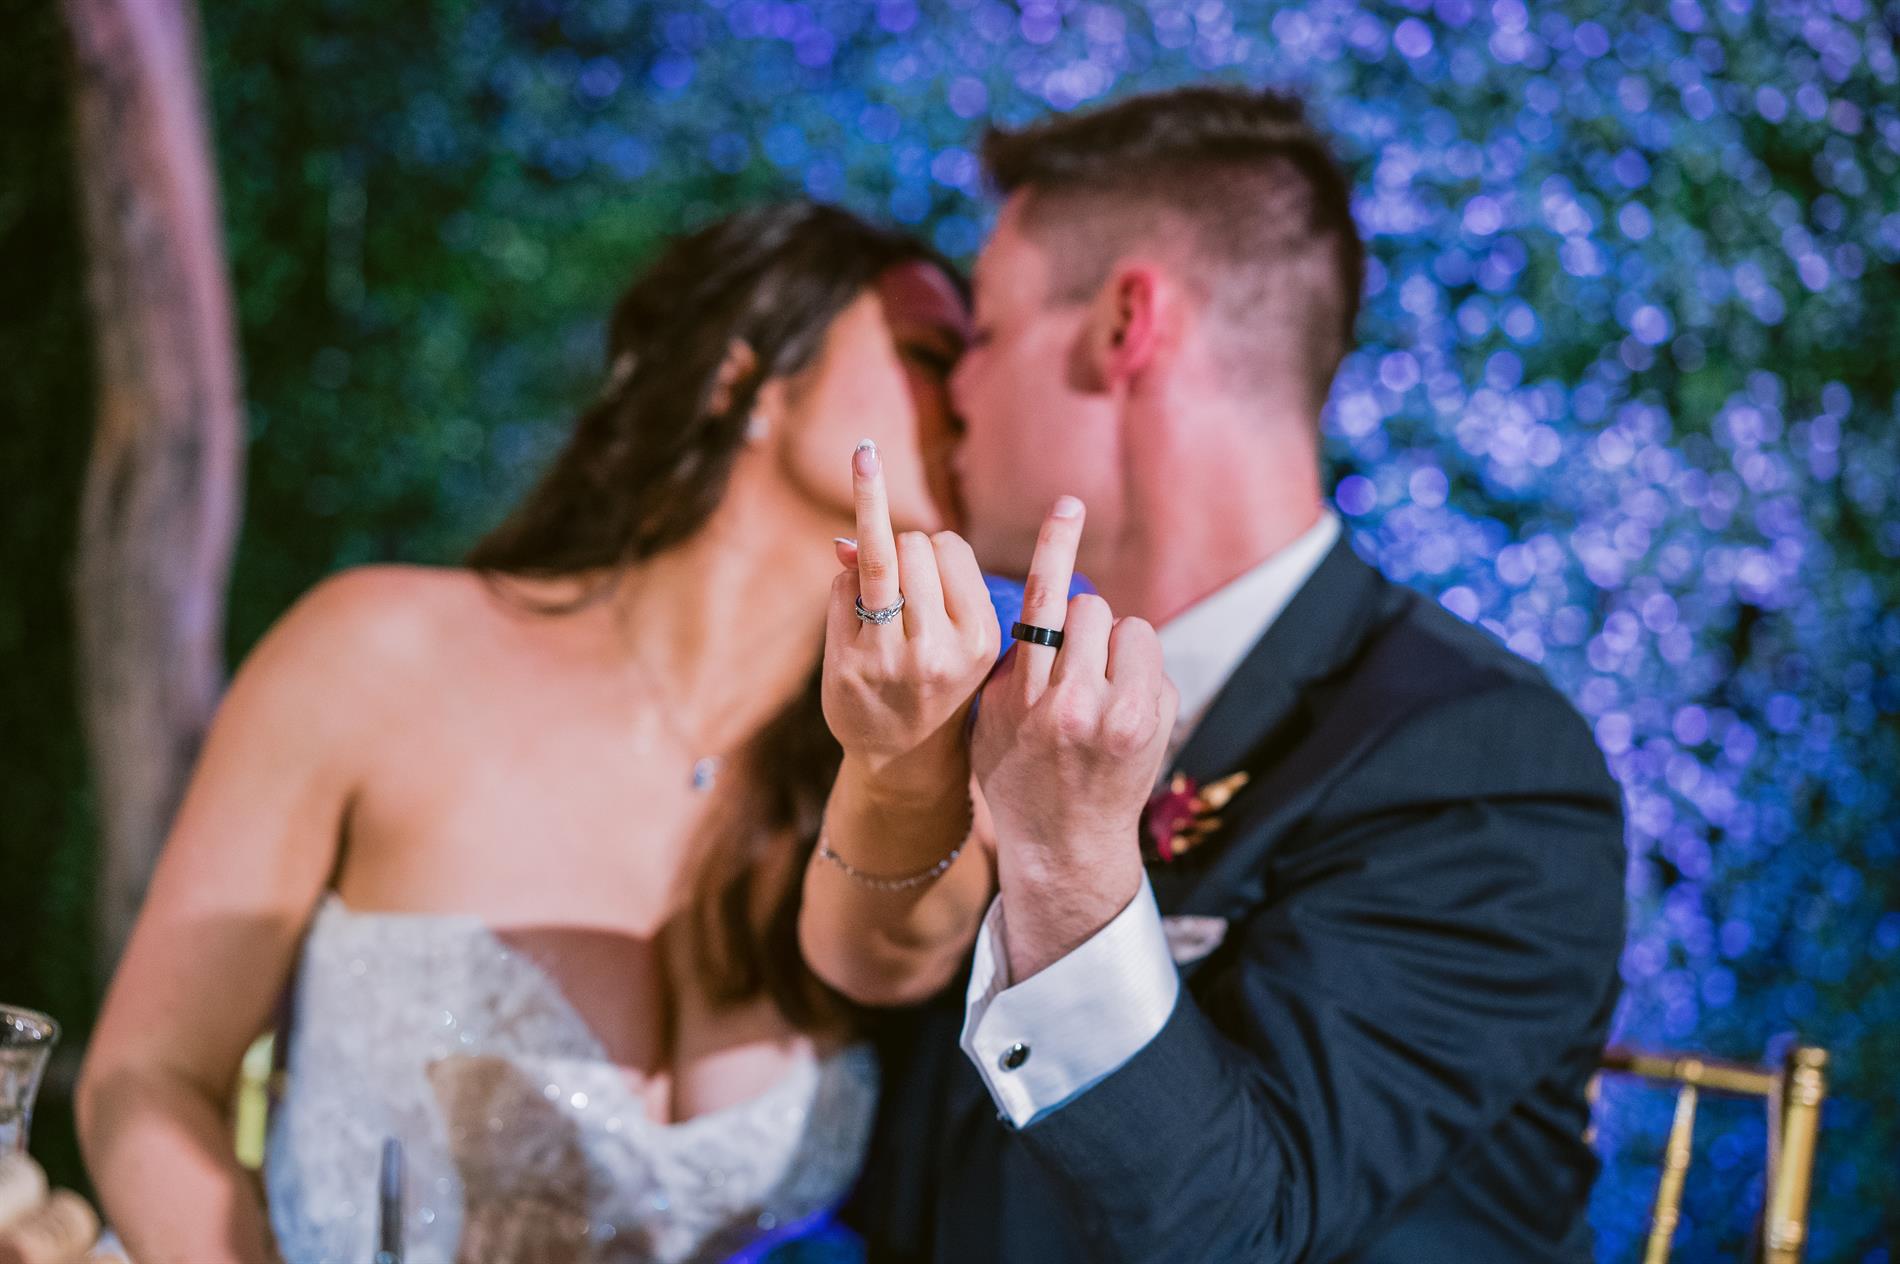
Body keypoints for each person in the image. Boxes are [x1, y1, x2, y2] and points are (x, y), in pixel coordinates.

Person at [800, 87, 1629, 1262]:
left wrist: (1069, 864)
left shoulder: (1484, 761)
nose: (956, 395)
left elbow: (1247, 1230)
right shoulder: (993, 699)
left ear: (1124, 325)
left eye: (981, 334)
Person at [76, 202, 973, 1264]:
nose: (970, 397)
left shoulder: (892, 799)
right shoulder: (385, 651)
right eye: (929, 355)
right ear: (745, 381)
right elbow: (148, 1077)